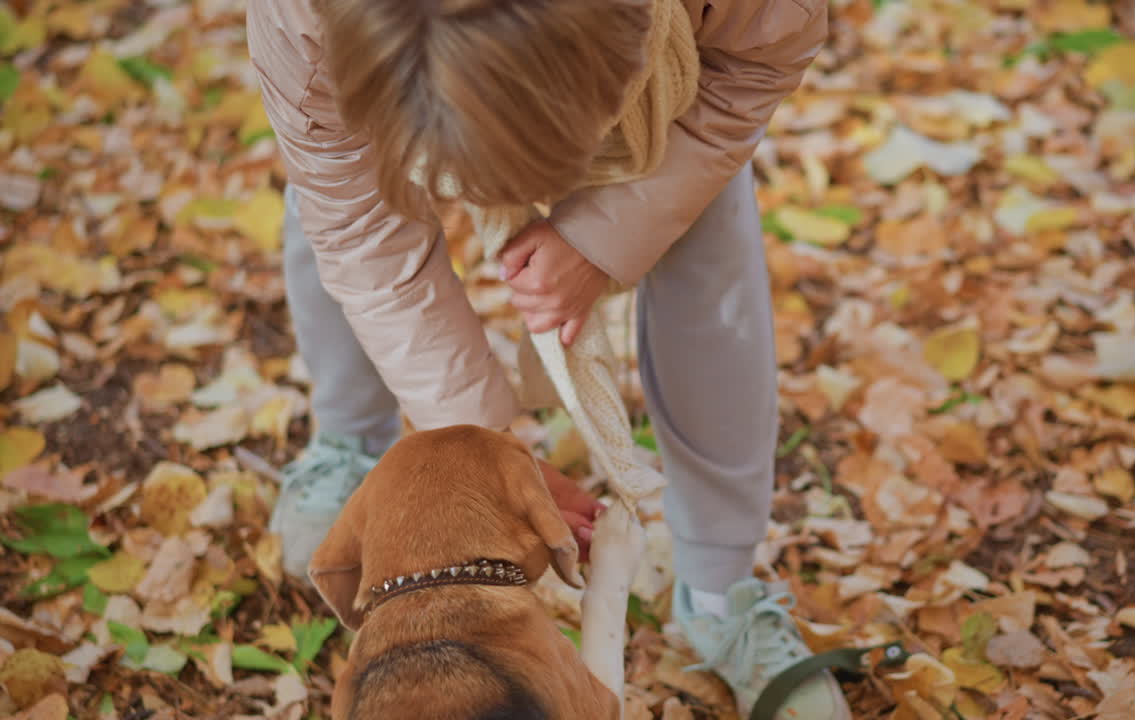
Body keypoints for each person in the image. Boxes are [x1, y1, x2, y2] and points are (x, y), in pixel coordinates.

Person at [246, 0, 845, 717]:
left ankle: (720, 587)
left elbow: (753, 66)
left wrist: (606, 235)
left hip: (663, 98)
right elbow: (356, 223)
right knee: (333, 199)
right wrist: (481, 452)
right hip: (361, 113)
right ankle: (349, 441)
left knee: (707, 228)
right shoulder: (301, 21)